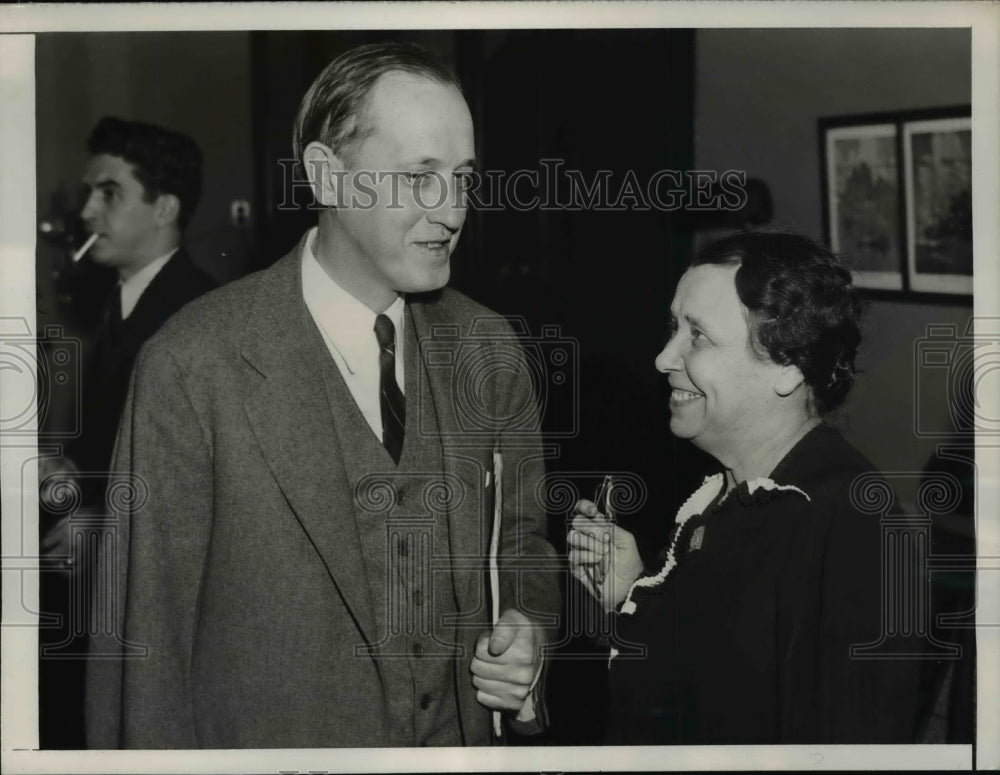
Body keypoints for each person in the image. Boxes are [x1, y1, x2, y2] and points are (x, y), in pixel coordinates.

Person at [85, 42, 559, 749]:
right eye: (418, 176)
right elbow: (142, 650)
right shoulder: (191, 365)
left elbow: (519, 546)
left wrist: (528, 632)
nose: (453, 210)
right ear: (326, 176)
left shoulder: (488, 350)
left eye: (461, 177)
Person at [568, 231, 924, 744]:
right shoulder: (723, 498)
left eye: (698, 336)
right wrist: (630, 592)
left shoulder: (851, 521)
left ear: (787, 366)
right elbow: (712, 690)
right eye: (673, 328)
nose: (664, 358)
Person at [38, 117, 215, 748]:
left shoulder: (198, 318)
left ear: (164, 207)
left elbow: (207, 489)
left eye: (108, 193)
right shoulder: (124, 305)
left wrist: (101, 525)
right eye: (90, 193)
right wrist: (72, 476)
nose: (87, 211)